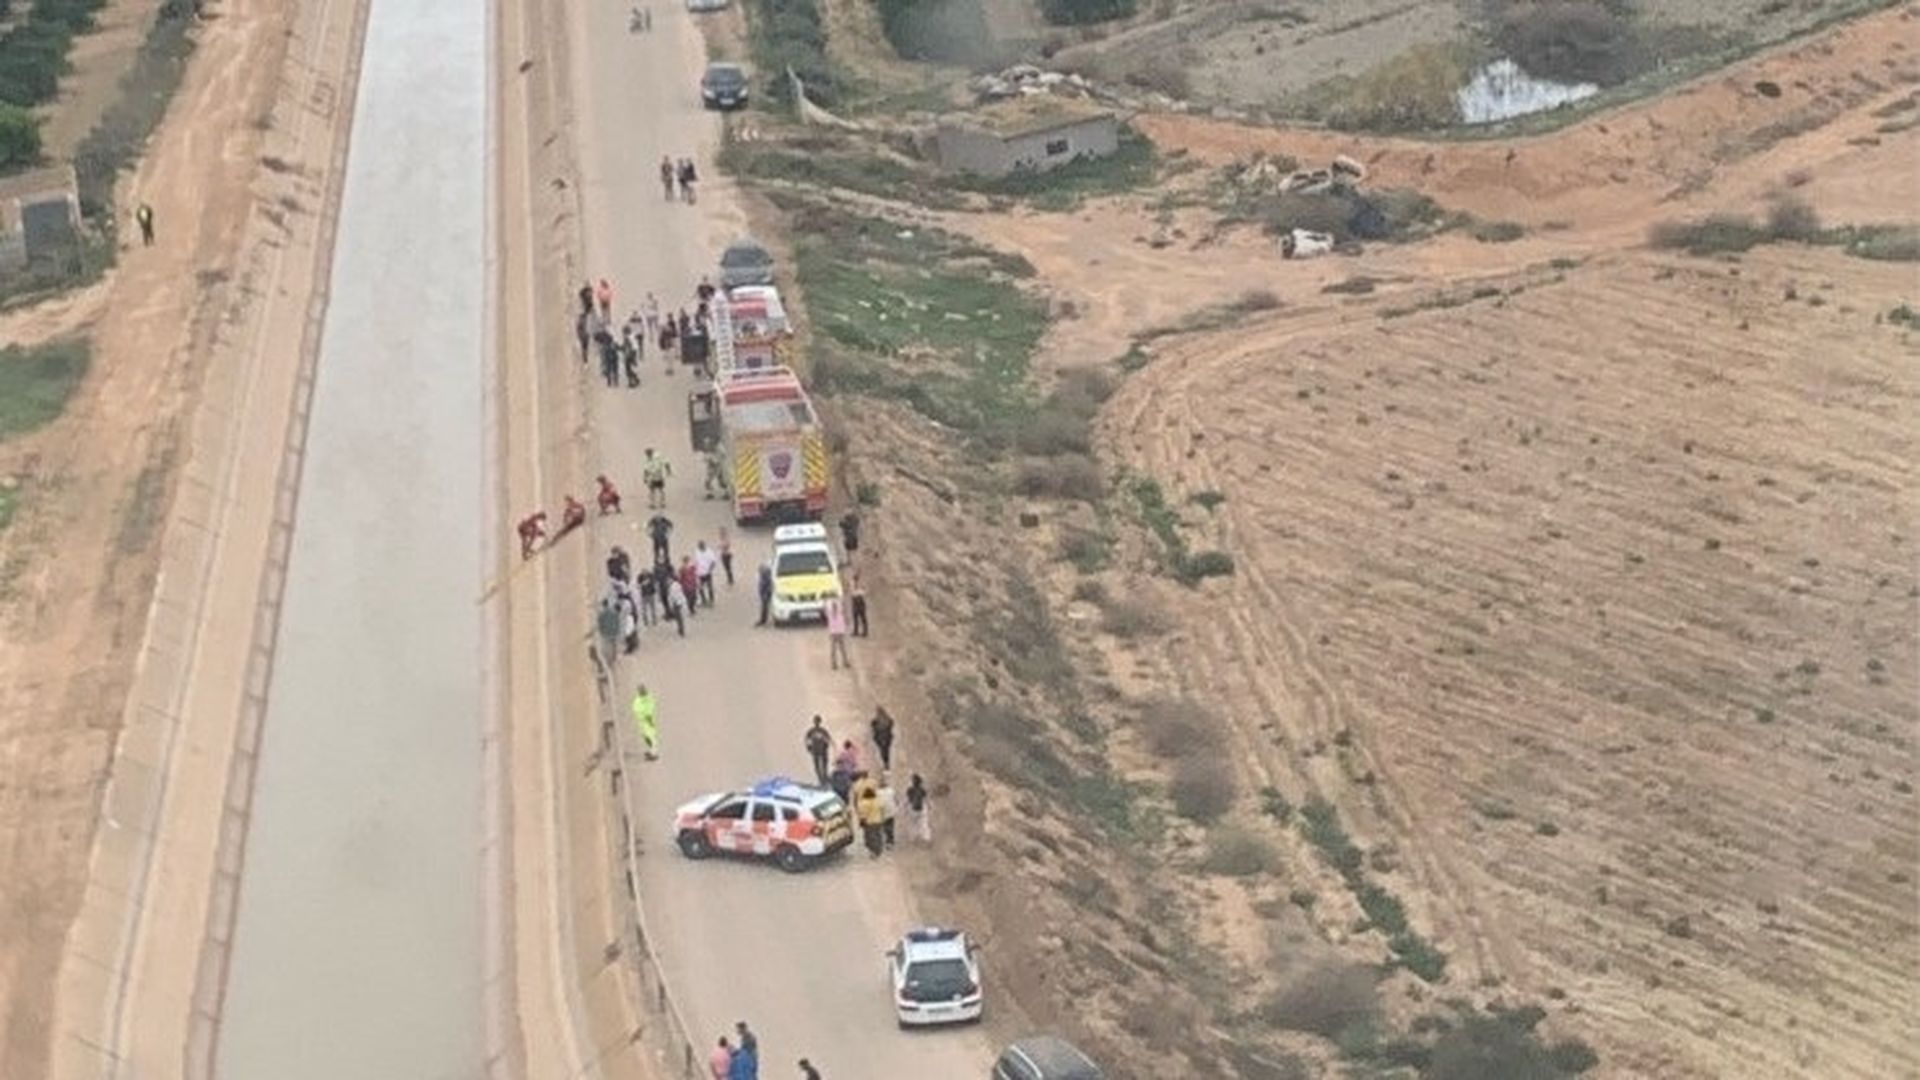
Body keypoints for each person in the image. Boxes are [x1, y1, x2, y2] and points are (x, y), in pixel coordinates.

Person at [854, 777, 885, 858]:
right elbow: (882, 809)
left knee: (870, 837)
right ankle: (879, 850)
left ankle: (873, 851)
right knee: (878, 835)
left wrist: (861, 822)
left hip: (869, 823)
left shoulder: (863, 803)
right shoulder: (877, 800)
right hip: (878, 821)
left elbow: (863, 814)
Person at [630, 684, 658, 760]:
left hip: (646, 721)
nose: (640, 691)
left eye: (641, 690)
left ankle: (654, 754)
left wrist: (650, 721)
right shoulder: (639, 699)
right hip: (642, 721)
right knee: (646, 737)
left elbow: (649, 711)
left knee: (651, 737)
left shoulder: (647, 699)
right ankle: (651, 751)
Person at [804, 716, 832, 786]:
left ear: (820, 722)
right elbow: (807, 740)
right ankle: (821, 781)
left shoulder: (823, 731)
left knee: (824, 766)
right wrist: (809, 747)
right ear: (814, 722)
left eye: (818, 721)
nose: (817, 723)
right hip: (815, 751)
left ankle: (824, 780)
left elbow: (828, 739)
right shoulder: (811, 731)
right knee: (817, 767)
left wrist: (826, 745)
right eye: (816, 721)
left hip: (823, 751)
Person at [824, 596, 850, 671]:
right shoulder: (831, 612)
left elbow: (843, 606)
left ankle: (844, 662)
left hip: (838, 631)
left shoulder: (837, 612)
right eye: (833, 606)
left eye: (834, 606)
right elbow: (825, 608)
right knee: (835, 649)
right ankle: (835, 663)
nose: (834, 607)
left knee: (841, 648)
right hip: (833, 632)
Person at [595, 597, 622, 665]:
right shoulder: (614, 612)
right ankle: (614, 658)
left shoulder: (601, 614)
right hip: (614, 633)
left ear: (603, 605)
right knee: (614, 646)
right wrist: (617, 631)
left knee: (606, 647)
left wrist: (601, 632)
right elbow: (617, 622)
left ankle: (608, 660)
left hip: (606, 633)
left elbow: (599, 624)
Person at [906, 773, 930, 842]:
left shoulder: (910, 790)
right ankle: (926, 838)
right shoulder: (922, 790)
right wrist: (929, 806)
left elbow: (907, 800)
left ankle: (913, 837)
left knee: (913, 824)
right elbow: (926, 799)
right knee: (924, 824)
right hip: (921, 809)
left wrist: (904, 808)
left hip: (912, 809)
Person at [869, 707, 895, 771]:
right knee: (886, 750)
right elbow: (891, 724)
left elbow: (873, 727)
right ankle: (886, 762)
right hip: (887, 739)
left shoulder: (876, 721)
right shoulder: (887, 719)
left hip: (880, 739)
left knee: (882, 750)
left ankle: (885, 763)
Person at [877, 773, 898, 849]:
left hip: (882, 812)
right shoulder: (891, 790)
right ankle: (890, 842)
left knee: (884, 827)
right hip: (891, 812)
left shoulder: (877, 792)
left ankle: (886, 841)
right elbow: (896, 800)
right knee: (890, 827)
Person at [694, 541, 719, 606]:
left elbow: (713, 562)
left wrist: (710, 570)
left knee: (709, 587)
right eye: (699, 547)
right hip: (700, 573)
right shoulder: (697, 551)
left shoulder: (709, 552)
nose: (699, 548)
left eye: (700, 547)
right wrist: (696, 570)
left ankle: (711, 601)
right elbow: (697, 561)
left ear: (704, 546)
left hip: (707, 573)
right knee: (700, 587)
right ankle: (703, 600)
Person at [755, 560, 774, 627]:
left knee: (765, 607)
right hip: (764, 593)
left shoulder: (765, 577)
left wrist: (765, 594)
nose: (759, 572)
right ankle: (764, 620)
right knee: (765, 607)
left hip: (765, 594)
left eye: (760, 570)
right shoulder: (765, 576)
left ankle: (764, 620)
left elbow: (766, 585)